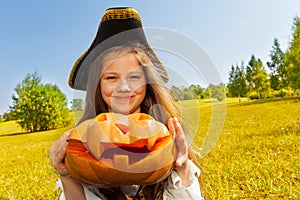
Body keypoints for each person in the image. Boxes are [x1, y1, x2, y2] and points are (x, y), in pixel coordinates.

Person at [50, 7, 204, 200]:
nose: (123, 87)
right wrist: (68, 176)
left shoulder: (165, 136)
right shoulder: (84, 142)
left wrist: (181, 167)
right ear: (98, 86)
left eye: (133, 77)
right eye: (112, 77)